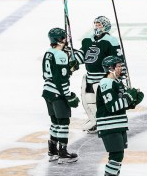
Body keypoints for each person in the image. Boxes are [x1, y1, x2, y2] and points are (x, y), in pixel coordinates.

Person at [96, 56, 144, 176]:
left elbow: (122, 104)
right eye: (118, 66)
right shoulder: (106, 83)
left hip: (119, 122)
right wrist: (129, 97)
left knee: (117, 154)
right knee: (117, 155)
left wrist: (134, 100)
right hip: (109, 124)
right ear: (110, 68)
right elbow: (112, 107)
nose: (121, 68)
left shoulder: (117, 83)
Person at [41, 28, 82, 164]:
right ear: (59, 39)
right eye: (64, 37)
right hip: (58, 93)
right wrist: (68, 95)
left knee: (55, 122)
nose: (66, 39)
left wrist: (69, 69)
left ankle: (52, 151)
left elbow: (52, 73)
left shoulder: (48, 53)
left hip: (47, 91)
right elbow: (61, 80)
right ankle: (63, 152)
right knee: (63, 122)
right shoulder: (61, 55)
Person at [80, 16, 124, 134]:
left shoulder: (111, 40)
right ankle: (96, 121)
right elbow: (82, 56)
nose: (97, 26)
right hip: (89, 77)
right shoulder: (87, 40)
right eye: (96, 24)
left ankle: (107, 122)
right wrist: (72, 58)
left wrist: (120, 76)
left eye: (99, 24)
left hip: (103, 78)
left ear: (106, 26)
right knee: (89, 102)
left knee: (103, 102)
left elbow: (119, 60)